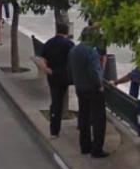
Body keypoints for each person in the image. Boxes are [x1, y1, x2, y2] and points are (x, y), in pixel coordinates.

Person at [68, 29, 108, 158]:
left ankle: (85, 146)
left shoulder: (74, 50)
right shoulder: (91, 51)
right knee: (98, 119)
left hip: (80, 87)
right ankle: (97, 149)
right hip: (92, 89)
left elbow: (71, 69)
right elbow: (94, 72)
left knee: (84, 116)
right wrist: (100, 85)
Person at [35, 23, 75, 138]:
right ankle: (56, 125)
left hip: (53, 76)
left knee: (56, 100)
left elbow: (42, 59)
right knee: (59, 101)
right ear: (66, 32)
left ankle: (54, 130)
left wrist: (47, 70)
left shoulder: (49, 43)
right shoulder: (69, 44)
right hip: (65, 76)